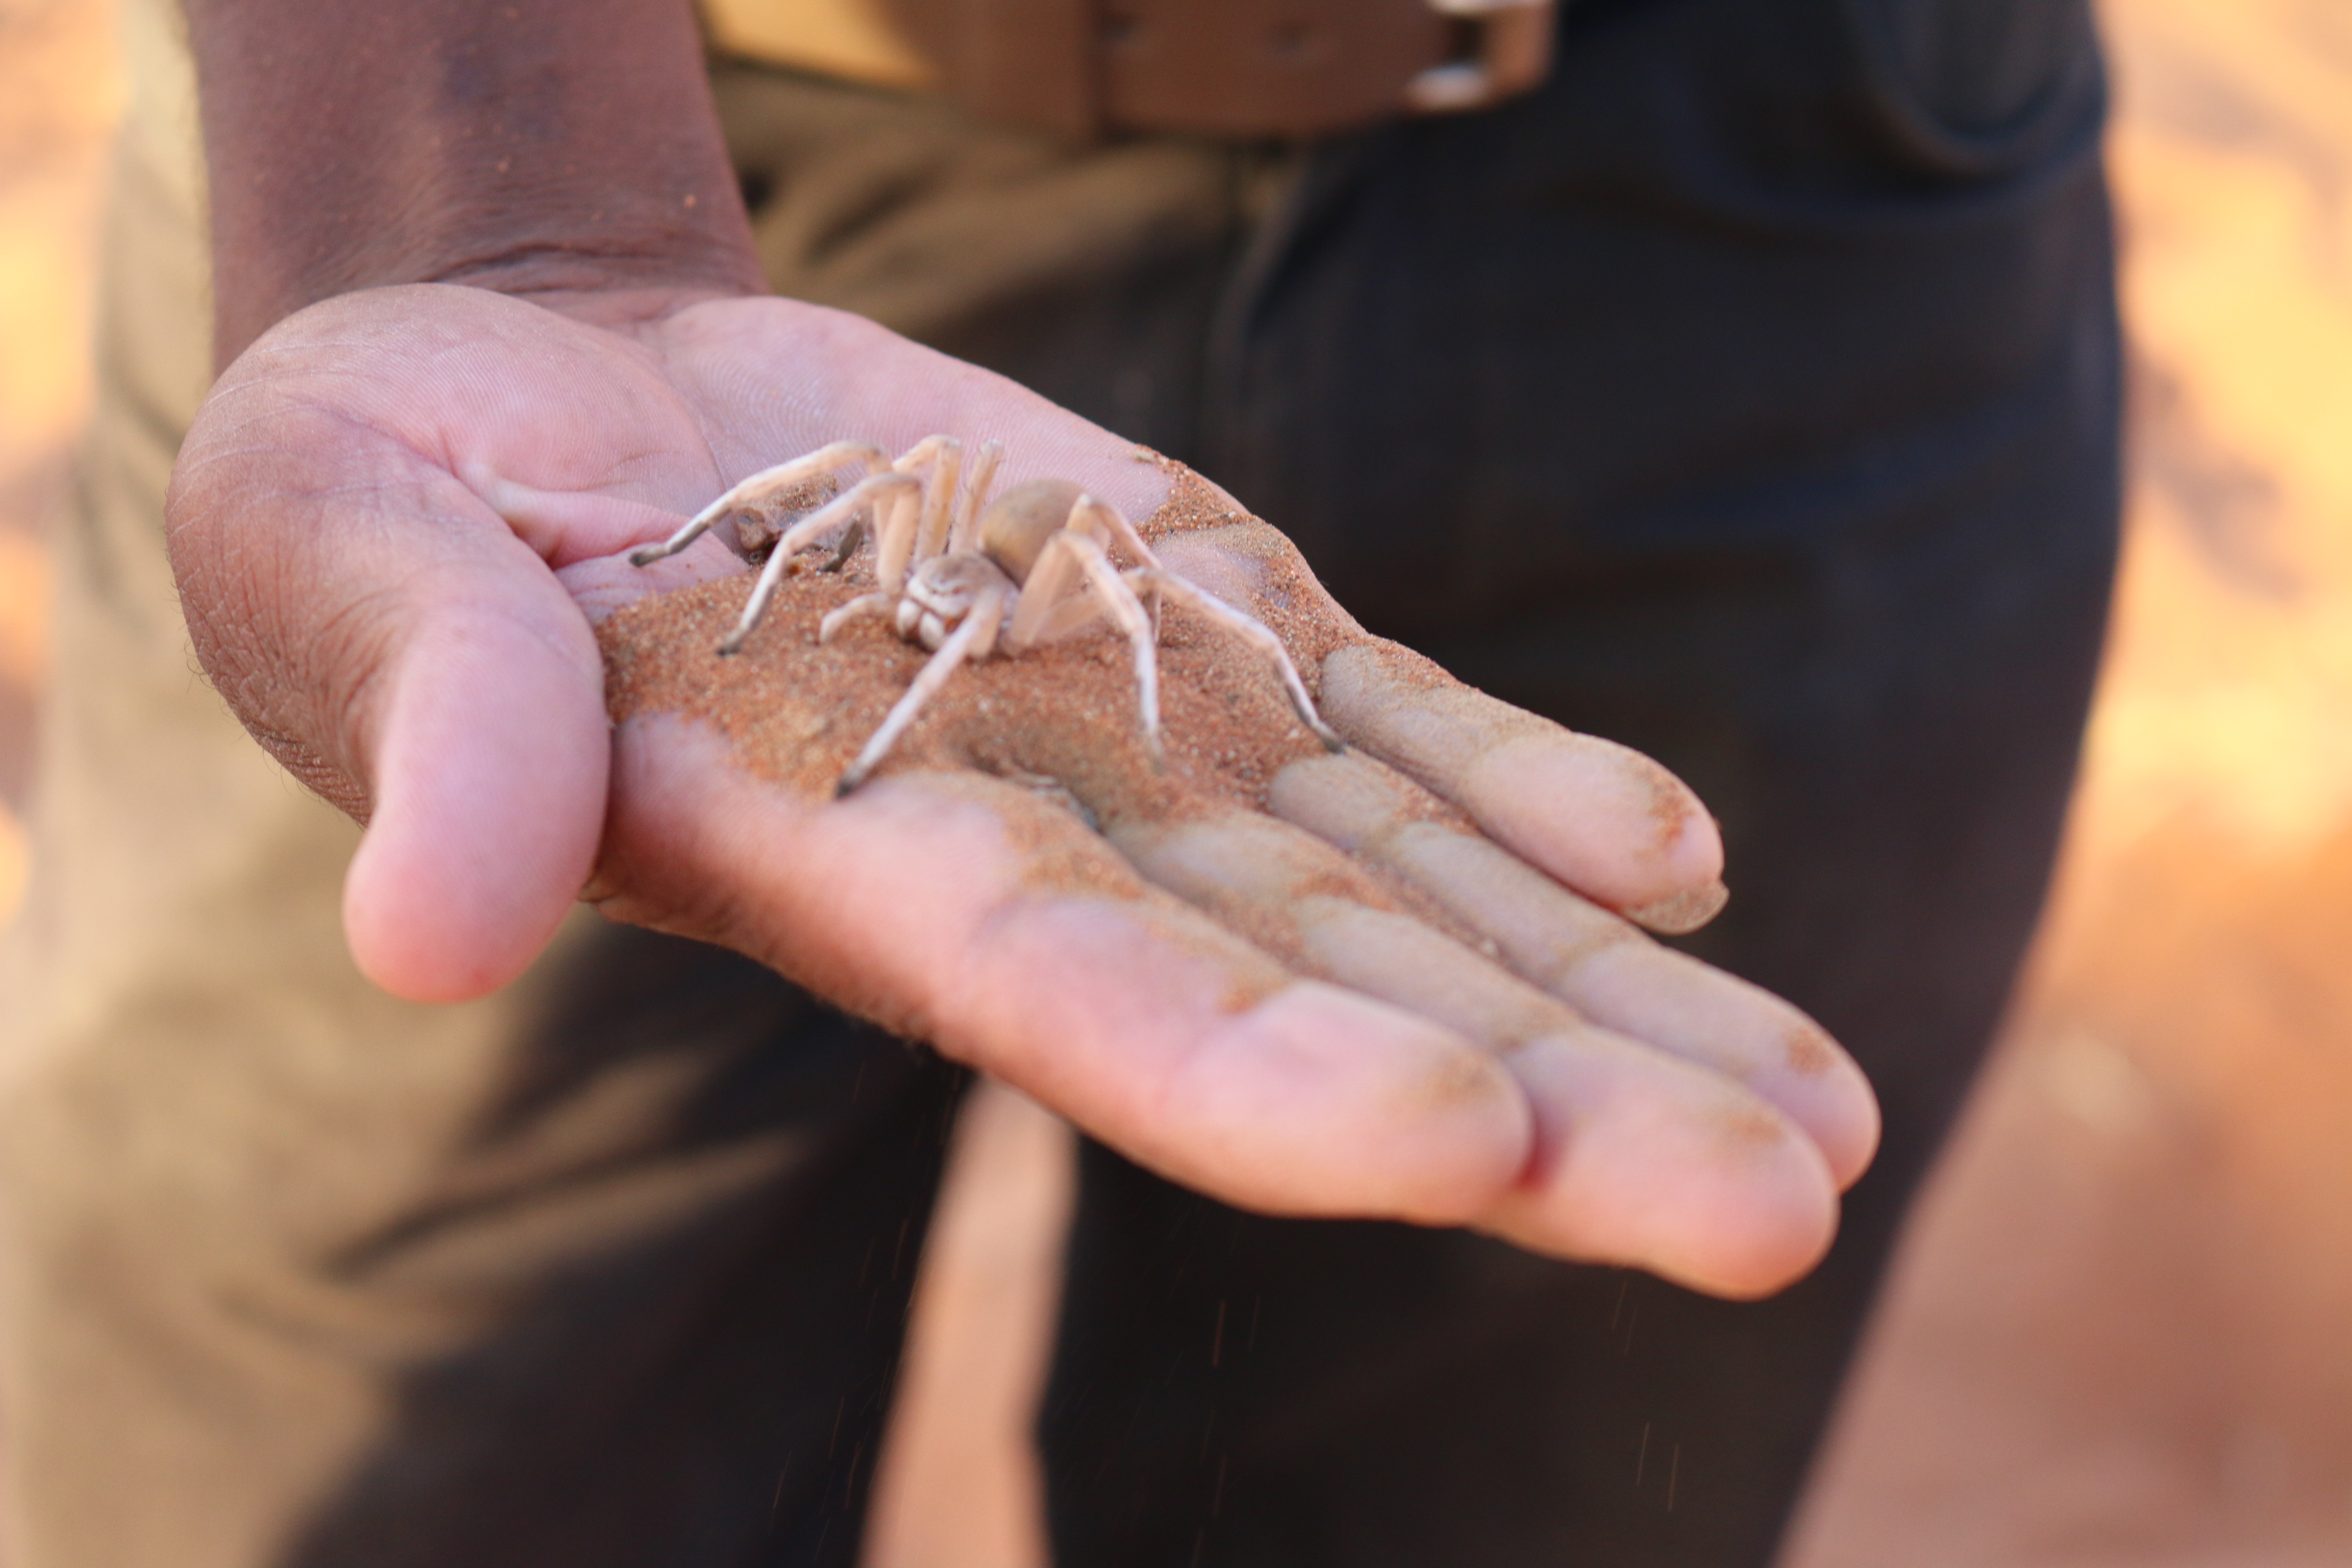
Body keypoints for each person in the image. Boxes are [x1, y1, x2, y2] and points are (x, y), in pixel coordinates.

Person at [0, 0, 2116, 1562]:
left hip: (1803, 183)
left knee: (1560, 1382)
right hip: (600, 148)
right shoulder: (804, 484)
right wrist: (497, 226)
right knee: (345, 1452)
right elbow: (807, 530)